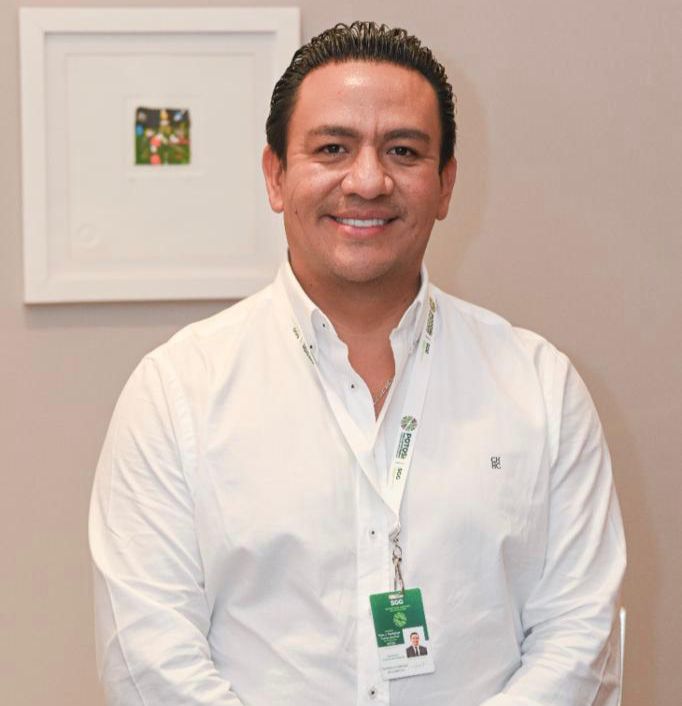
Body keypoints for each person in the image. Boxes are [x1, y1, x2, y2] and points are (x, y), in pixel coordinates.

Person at [89, 21, 626, 706]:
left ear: (445, 184)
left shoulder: (541, 387)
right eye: (332, 149)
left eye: (403, 150)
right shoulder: (176, 394)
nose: (368, 180)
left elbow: (580, 634)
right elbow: (148, 658)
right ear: (276, 176)